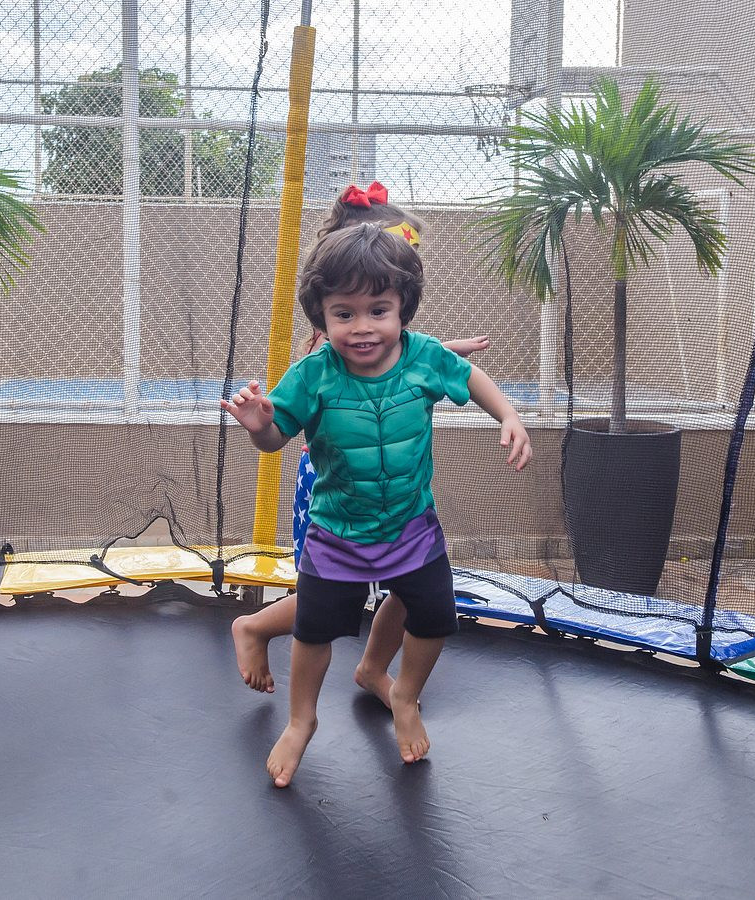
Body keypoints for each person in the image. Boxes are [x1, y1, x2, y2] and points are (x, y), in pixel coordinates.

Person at [221, 223, 531, 785]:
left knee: (433, 615)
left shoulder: (425, 356)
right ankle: (301, 721)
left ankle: (404, 695)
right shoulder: (312, 374)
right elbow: (274, 438)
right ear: (322, 317)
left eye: (378, 311)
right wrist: (259, 427)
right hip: (338, 533)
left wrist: (508, 415)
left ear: (402, 309)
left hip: (411, 526)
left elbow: (471, 377)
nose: (362, 327)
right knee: (315, 630)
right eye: (344, 314)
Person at [231, 182, 490, 696]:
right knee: (329, 589)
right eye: (403, 252)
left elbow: (394, 360)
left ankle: (372, 668)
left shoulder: (373, 319)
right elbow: (353, 373)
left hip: (394, 494)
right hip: (332, 483)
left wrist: (443, 351)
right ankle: (255, 627)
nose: (363, 322)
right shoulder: (330, 342)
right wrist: (261, 423)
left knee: (410, 583)